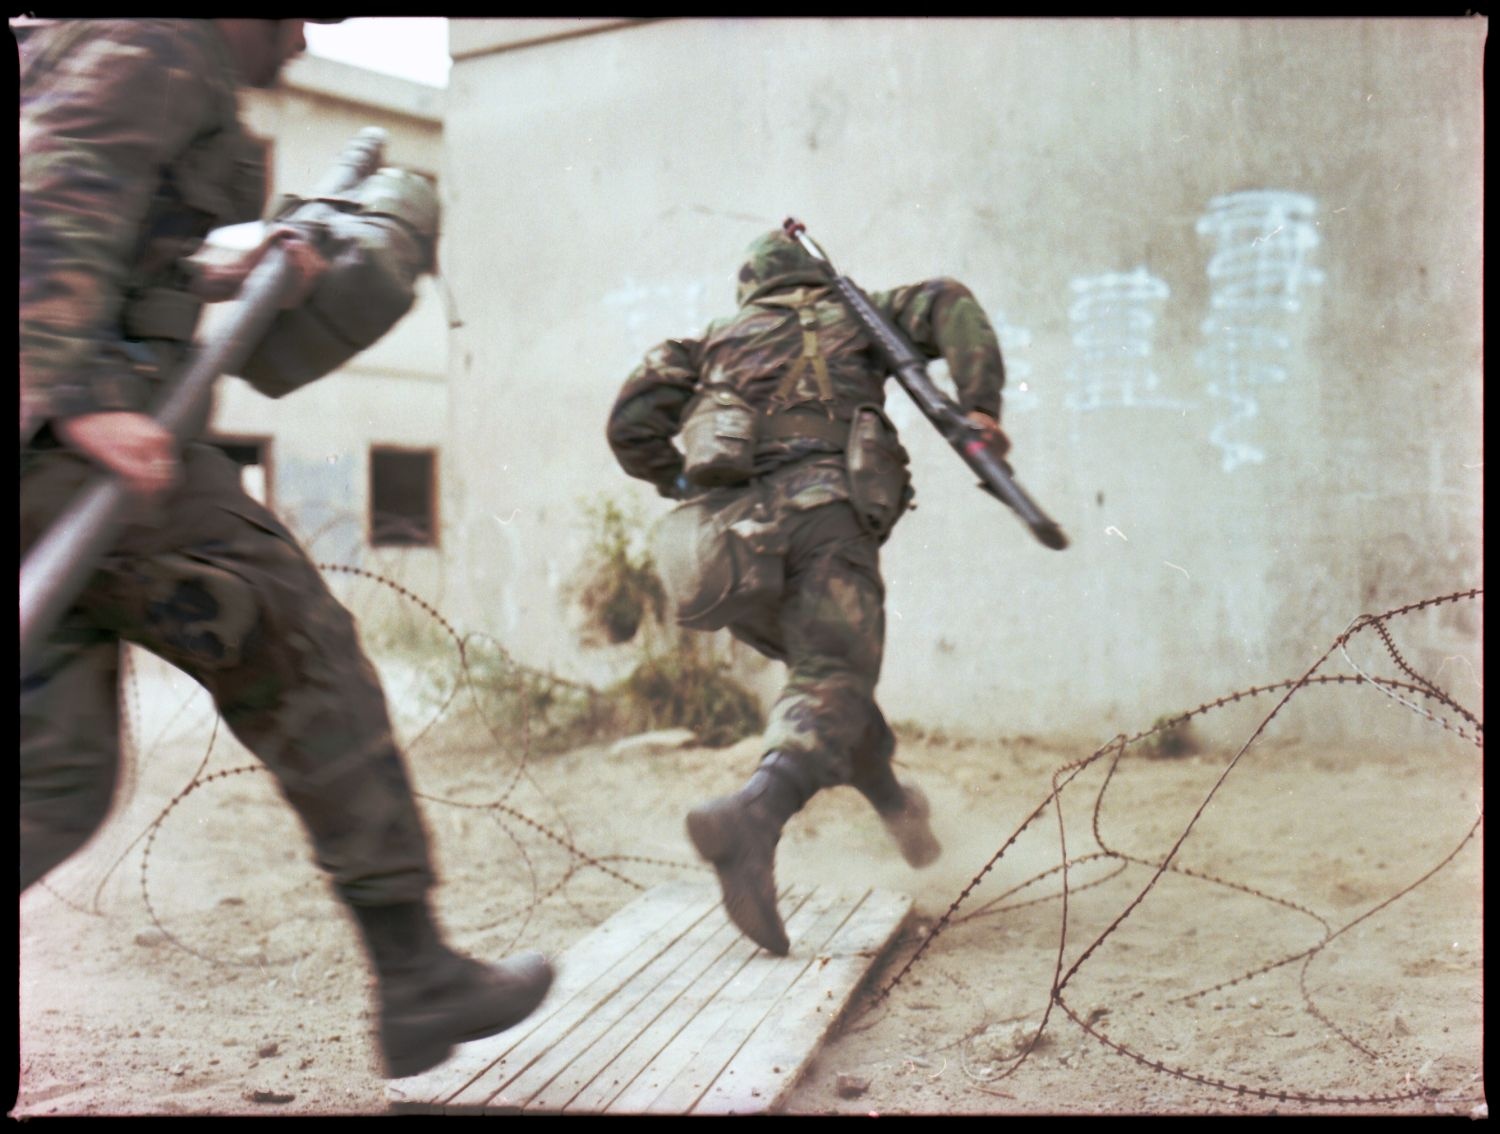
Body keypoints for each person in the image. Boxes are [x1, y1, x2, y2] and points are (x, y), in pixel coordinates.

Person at [18, 19, 552, 1080]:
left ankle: (417, 981)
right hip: (70, 453)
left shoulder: (102, 41)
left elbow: (117, 233)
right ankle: (415, 978)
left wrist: (232, 266)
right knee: (298, 642)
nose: (301, 35)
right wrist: (80, 400)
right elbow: (48, 191)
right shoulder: (159, 39)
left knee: (52, 779)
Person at [606, 227, 1010, 955]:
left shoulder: (708, 343)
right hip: (826, 520)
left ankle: (893, 802)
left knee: (827, 679)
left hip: (734, 547)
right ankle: (752, 817)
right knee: (835, 675)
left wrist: (680, 479)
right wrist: (982, 406)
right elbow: (949, 302)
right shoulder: (854, 312)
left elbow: (631, 423)